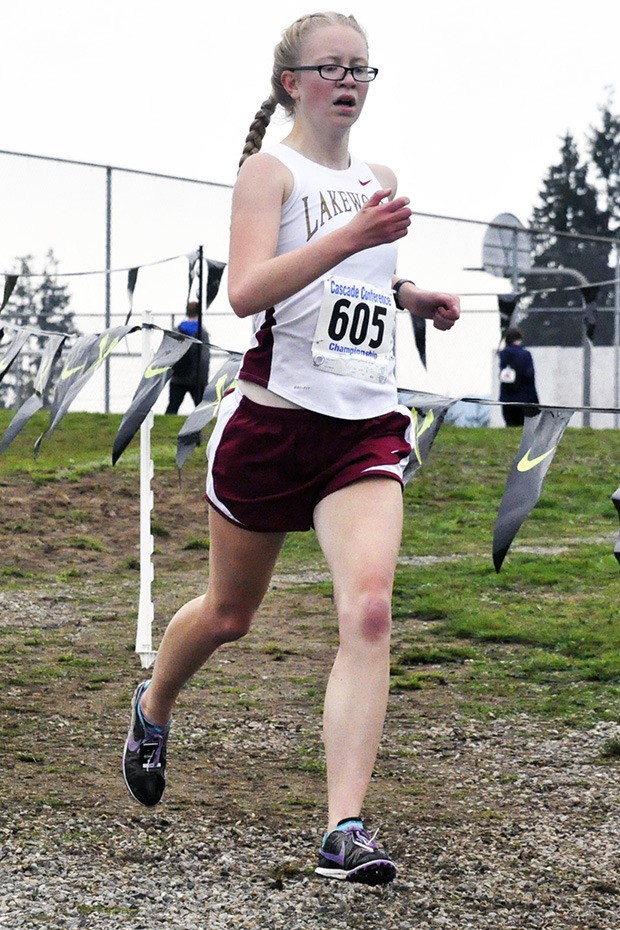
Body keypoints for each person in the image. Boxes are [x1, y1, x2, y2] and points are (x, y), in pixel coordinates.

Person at [123, 10, 460, 885]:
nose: (349, 80)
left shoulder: (379, 177)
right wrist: (352, 236)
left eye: (362, 68)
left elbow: (363, 281)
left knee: (372, 612)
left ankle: (343, 829)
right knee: (231, 616)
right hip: (272, 426)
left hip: (363, 430)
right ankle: (155, 703)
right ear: (293, 83)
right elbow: (244, 292)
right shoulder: (267, 173)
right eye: (332, 67)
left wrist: (413, 295)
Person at [165, 301, 210, 414]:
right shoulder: (201, 332)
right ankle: (199, 431)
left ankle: (163, 430)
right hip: (196, 378)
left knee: (172, 407)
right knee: (201, 409)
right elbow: (204, 357)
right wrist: (204, 379)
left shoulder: (177, 330)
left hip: (178, 376)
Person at [499, 326, 539, 427]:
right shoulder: (525, 355)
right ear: (519, 338)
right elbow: (529, 377)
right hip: (524, 399)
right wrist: (535, 401)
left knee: (510, 426)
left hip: (507, 399)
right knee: (523, 428)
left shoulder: (503, 354)